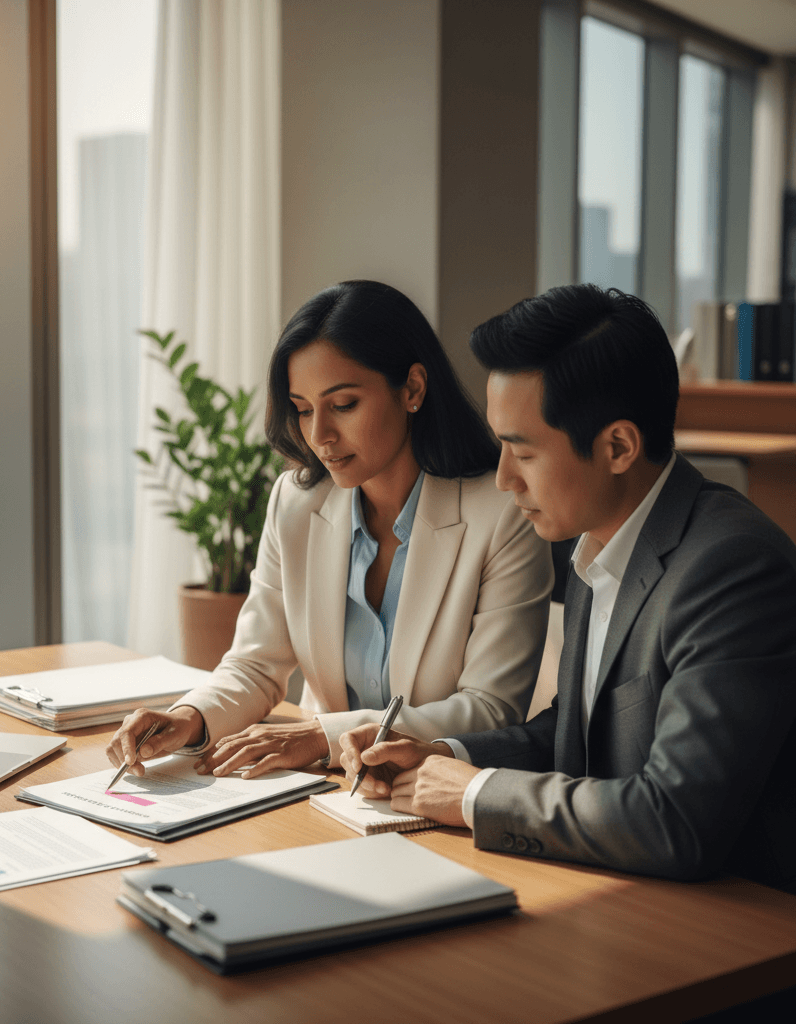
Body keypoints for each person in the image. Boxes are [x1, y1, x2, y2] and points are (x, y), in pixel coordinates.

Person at [339, 284, 796, 893]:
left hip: (732, 935)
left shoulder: (732, 568)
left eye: (521, 452)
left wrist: (474, 793)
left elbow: (678, 821)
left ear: (618, 447)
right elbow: (578, 732)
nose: (502, 479)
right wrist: (445, 755)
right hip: (621, 899)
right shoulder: (597, 541)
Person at [107, 280, 553, 779]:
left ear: (412, 389)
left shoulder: (503, 513)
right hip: (318, 790)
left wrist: (323, 735)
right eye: (302, 409)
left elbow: (491, 710)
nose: (318, 436)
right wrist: (188, 717)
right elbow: (255, 665)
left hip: (430, 794)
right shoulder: (295, 502)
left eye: (343, 405)